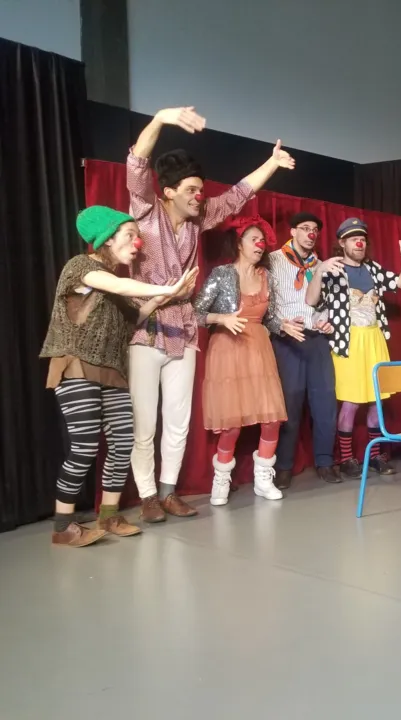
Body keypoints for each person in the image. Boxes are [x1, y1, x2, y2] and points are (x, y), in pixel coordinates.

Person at [126, 105, 295, 522]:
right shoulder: (145, 210)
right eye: (190, 190)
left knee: (178, 421)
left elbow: (238, 194)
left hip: (183, 332)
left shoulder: (198, 220)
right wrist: (160, 119)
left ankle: (169, 492)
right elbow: (138, 162)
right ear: (168, 192)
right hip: (146, 329)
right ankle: (148, 496)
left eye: (200, 190)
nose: (198, 196)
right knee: (145, 424)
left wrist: (272, 163)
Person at [40, 206, 197, 546]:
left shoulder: (115, 286)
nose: (137, 243)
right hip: (77, 365)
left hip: (112, 371)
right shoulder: (80, 267)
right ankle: (62, 526)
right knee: (84, 445)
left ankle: (109, 516)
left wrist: (167, 294)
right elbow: (118, 285)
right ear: (107, 239)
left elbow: (136, 315)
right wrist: (166, 289)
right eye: (130, 235)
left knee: (123, 441)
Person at [194, 215, 305, 504]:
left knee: (271, 419)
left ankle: (263, 479)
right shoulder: (221, 274)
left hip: (258, 350)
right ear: (239, 243)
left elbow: (269, 318)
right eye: (253, 239)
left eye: (262, 240)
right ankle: (221, 479)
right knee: (231, 423)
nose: (260, 244)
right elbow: (195, 314)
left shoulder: (266, 276)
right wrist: (221, 318)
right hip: (227, 351)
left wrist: (282, 325)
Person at [306, 218, 401, 478]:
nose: (359, 243)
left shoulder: (373, 269)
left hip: (375, 340)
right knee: (351, 403)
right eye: (354, 239)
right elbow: (311, 299)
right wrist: (319, 271)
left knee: (376, 402)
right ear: (342, 243)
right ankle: (346, 459)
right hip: (348, 343)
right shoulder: (332, 269)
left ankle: (375, 456)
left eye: (363, 239)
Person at [268, 212, 344, 489]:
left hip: (317, 339)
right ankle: (283, 466)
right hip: (288, 339)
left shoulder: (322, 265)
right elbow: (266, 302)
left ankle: (325, 461)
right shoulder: (273, 260)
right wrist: (281, 325)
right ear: (293, 231)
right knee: (289, 404)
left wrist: (326, 321)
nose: (311, 233)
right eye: (305, 228)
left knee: (325, 402)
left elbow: (327, 302)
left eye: (315, 229)